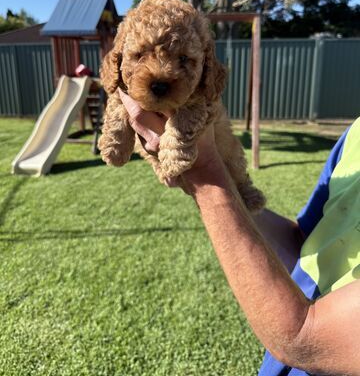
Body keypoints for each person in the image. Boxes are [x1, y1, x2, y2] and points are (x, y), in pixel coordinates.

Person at [119, 89, 360, 376]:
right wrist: (201, 185)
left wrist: (206, 174)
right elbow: (301, 246)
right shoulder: (356, 135)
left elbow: (305, 338)